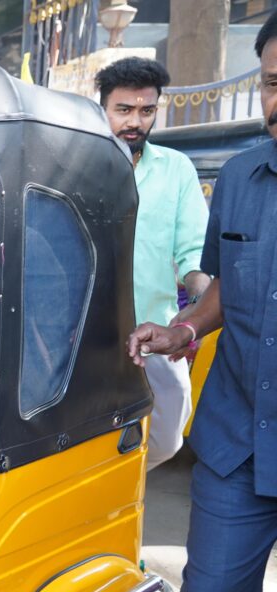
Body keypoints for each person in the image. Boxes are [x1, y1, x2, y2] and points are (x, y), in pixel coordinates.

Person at [127, 15, 277, 592]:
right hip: (238, 439)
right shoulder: (242, 177)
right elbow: (222, 282)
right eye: (273, 85)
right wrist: (186, 329)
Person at [96, 57, 210, 471]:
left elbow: (192, 252)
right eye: (124, 110)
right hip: (86, 337)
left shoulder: (176, 169)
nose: (135, 122)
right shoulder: (78, 167)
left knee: (166, 439)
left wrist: (199, 299)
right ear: (103, 109)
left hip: (155, 332)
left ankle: (122, 482)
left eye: (147, 111)